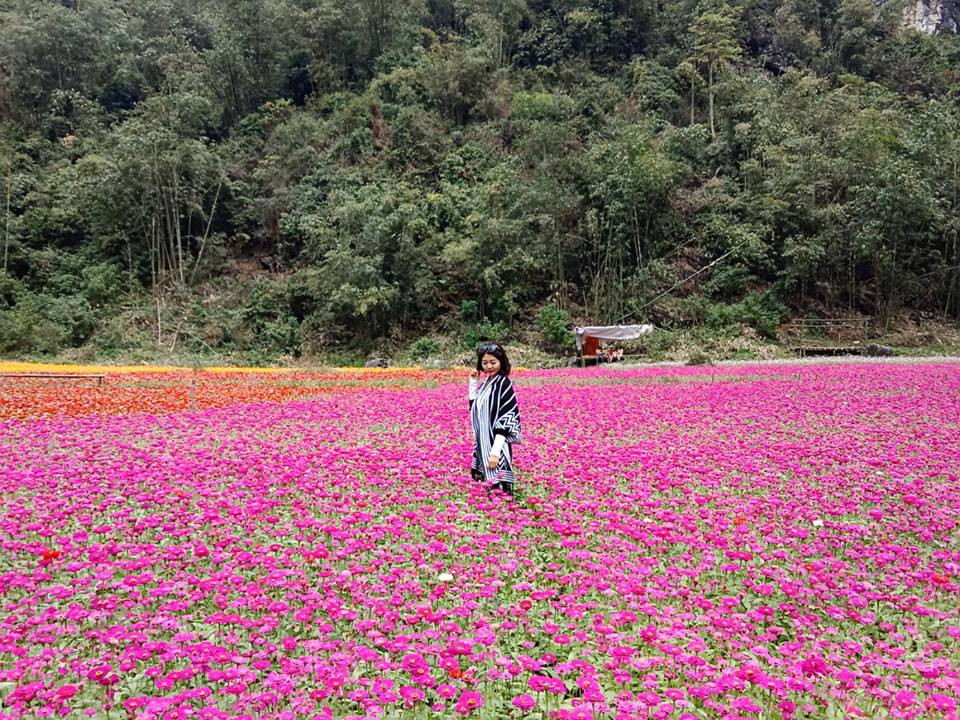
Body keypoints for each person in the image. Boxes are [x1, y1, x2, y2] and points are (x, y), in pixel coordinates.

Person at [469, 343, 521, 495]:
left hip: (495, 445)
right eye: (485, 363)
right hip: (483, 443)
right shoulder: (487, 382)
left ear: (501, 362)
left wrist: (495, 452)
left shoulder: (503, 384)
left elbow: (506, 418)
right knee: (488, 491)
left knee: (500, 491)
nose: (489, 366)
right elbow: (475, 408)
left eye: (493, 362)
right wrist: (473, 382)